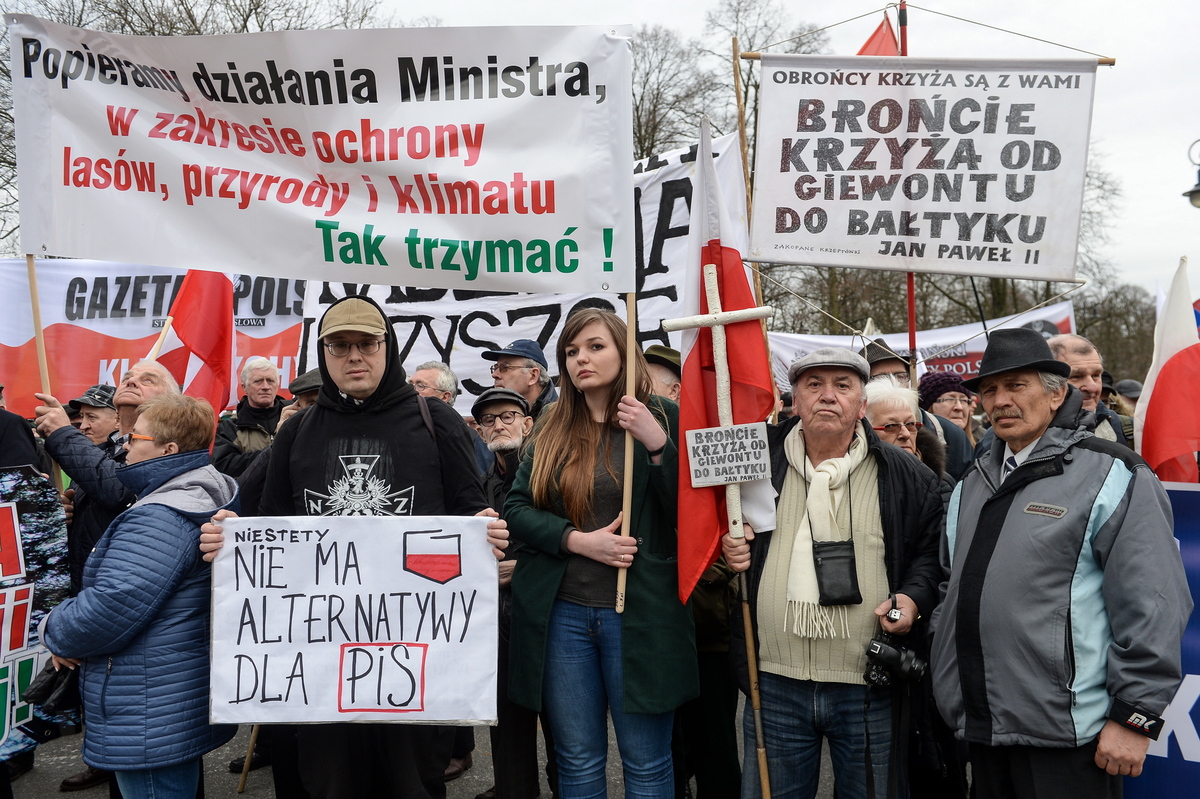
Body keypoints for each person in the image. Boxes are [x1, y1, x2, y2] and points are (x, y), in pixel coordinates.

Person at [199, 295, 508, 799]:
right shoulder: (298, 429)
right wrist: (232, 537)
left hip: (414, 654)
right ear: (324, 354)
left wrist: (483, 530)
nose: (354, 356)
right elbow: (270, 521)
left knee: (410, 785)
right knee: (329, 782)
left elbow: (471, 509)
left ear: (388, 347)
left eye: (367, 343)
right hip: (321, 659)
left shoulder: (436, 421)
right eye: (339, 346)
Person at [931, 328, 1192, 798]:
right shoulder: (972, 482)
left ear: (1055, 395)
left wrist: (1134, 716)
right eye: (989, 389)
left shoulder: (1112, 472)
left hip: (1069, 741)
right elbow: (952, 589)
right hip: (983, 729)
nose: (1000, 400)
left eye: (1016, 385)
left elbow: (1154, 602)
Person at [721, 347, 943, 799]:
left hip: (868, 684)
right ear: (794, 401)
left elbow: (929, 555)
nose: (827, 396)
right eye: (814, 385)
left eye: (842, 386)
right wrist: (725, 544)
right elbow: (703, 517)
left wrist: (912, 599)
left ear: (861, 405)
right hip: (773, 681)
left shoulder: (905, 474)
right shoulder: (753, 460)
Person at [504, 309, 697, 798]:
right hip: (562, 614)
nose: (581, 360)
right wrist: (577, 540)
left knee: (647, 761)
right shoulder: (551, 422)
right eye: (571, 352)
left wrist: (657, 444)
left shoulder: (664, 416)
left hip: (640, 613)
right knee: (577, 758)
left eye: (595, 347)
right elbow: (517, 508)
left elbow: (693, 515)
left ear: (624, 353)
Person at [41, 394, 238, 799]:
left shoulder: (159, 515)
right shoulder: (199, 491)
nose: (125, 446)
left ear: (168, 449)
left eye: (135, 438)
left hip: (147, 702)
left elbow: (110, 607)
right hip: (168, 689)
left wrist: (54, 629)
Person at [859, 339, 973, 481]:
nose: (893, 383)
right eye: (881, 378)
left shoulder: (950, 433)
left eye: (900, 376)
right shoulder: (846, 436)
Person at [1047, 334, 1134, 447]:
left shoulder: (1130, 431)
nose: (1092, 387)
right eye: (1076, 377)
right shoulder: (1027, 434)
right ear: (1047, 381)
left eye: (1096, 375)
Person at [212, 357, 286, 477]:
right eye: (258, 381)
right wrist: (273, 454)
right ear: (244, 387)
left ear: (277, 385)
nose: (266, 386)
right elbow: (223, 465)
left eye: (270, 381)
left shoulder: (294, 419)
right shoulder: (229, 429)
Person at [483, 339, 558, 419]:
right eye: (495, 367)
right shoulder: (490, 416)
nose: (494, 375)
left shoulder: (562, 419)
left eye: (505, 367)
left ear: (533, 376)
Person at [917, 371, 979, 447]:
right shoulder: (914, 450)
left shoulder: (983, 446)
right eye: (949, 399)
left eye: (963, 400)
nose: (959, 407)